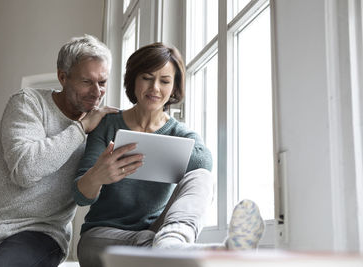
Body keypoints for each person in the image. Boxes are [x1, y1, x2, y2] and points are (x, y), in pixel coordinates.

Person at [72, 42, 265, 267]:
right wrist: (99, 175)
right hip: (102, 237)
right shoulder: (107, 125)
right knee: (152, 245)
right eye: (147, 77)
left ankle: (173, 242)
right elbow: (80, 196)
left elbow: (205, 166)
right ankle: (207, 253)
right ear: (133, 79)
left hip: (159, 233)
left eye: (164, 81)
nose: (155, 88)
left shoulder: (182, 135)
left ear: (173, 88)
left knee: (200, 176)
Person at [0, 34, 133, 267]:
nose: (96, 92)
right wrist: (81, 127)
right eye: (86, 82)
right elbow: (26, 171)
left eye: (102, 82)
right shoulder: (27, 103)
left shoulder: (103, 127)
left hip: (43, 234)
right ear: (62, 77)